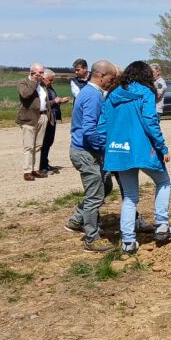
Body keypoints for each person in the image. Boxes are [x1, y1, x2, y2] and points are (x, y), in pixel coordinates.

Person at [98, 61, 171, 255]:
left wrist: (106, 148)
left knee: (130, 196)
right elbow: (150, 121)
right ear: (145, 75)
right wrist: (162, 147)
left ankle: (128, 242)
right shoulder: (146, 93)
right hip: (142, 149)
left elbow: (102, 126)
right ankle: (162, 225)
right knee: (164, 182)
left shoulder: (111, 95)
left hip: (119, 151)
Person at [66, 60, 117, 252]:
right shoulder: (93, 96)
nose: (112, 82)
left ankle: (77, 220)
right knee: (94, 195)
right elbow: (89, 130)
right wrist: (102, 150)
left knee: (105, 185)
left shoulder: (89, 92)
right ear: (102, 76)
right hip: (85, 152)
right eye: (111, 78)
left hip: (86, 150)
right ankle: (92, 238)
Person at [16, 63, 49, 181]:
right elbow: (25, 95)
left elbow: (45, 99)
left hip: (42, 116)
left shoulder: (42, 84)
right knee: (28, 146)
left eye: (42, 72)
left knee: (38, 145)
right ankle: (27, 171)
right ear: (32, 72)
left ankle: (35, 169)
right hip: (28, 118)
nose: (41, 75)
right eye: (39, 72)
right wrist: (34, 82)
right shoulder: (23, 83)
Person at [39, 69, 70, 175]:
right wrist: (54, 101)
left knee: (49, 142)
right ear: (44, 78)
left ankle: (45, 163)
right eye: (50, 80)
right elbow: (41, 104)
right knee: (44, 142)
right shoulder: (40, 88)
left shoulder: (49, 87)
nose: (52, 82)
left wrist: (60, 101)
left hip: (52, 117)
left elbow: (52, 100)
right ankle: (42, 167)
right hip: (45, 118)